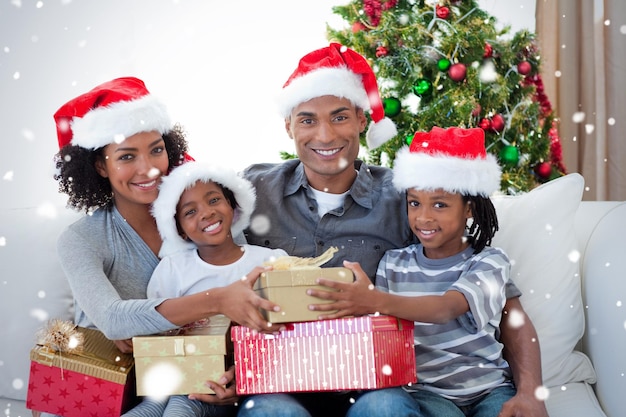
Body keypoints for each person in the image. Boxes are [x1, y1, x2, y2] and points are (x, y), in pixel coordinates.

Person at [240, 44, 549, 417]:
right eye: (307, 120)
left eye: (339, 117)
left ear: (361, 119)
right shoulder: (250, 192)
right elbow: (196, 250)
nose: (324, 135)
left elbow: (504, 307)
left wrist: (530, 391)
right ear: (288, 126)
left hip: (371, 383)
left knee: (386, 408)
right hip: (281, 379)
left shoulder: (406, 198)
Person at [51, 77, 281, 416]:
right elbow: (113, 321)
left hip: (202, 382)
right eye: (127, 156)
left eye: (156, 150)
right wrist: (217, 299)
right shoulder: (81, 239)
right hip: (118, 386)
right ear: (100, 165)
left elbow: (248, 294)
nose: (149, 168)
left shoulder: (205, 217)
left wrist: (242, 376)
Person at [322, 126, 516, 416]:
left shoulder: (489, 262)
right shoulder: (393, 263)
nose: (423, 217)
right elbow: (384, 333)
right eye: (414, 203)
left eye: (440, 204)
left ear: (469, 209)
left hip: (488, 389)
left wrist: (374, 299)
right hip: (425, 393)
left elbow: (446, 308)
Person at [125, 161, 288, 417]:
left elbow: (289, 330)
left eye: (214, 200)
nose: (206, 213)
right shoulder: (173, 269)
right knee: (149, 409)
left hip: (232, 383)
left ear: (233, 206)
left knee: (181, 409)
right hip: (178, 375)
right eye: (190, 212)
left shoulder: (270, 262)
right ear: (180, 229)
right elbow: (154, 331)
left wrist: (245, 375)